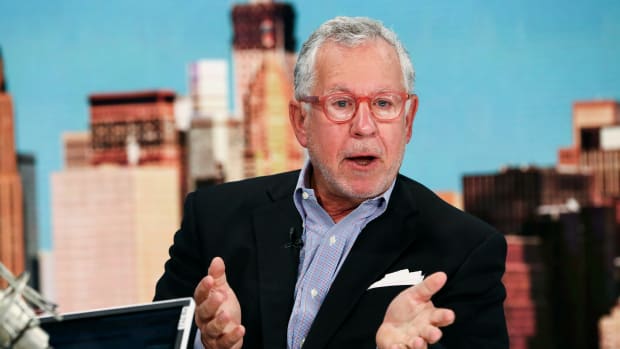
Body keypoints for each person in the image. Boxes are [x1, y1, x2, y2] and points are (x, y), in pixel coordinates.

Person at [154, 16, 508, 349]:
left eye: (384, 104)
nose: (364, 126)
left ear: (408, 119)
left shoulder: (465, 249)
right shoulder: (213, 218)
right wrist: (204, 341)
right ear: (300, 121)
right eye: (341, 104)